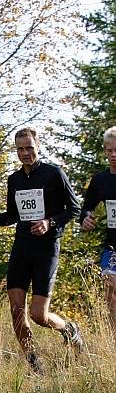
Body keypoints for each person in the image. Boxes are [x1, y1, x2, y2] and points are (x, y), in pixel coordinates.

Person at [0, 128, 82, 371]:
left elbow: (74, 208)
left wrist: (49, 223)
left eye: (29, 148)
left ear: (38, 146)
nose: (25, 153)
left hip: (46, 249)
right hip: (22, 247)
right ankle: (34, 364)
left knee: (38, 315)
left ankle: (69, 330)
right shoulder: (14, 180)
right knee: (16, 309)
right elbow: (13, 216)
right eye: (20, 149)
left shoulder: (54, 174)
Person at [80, 126, 116, 334]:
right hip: (112, 244)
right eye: (110, 150)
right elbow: (86, 207)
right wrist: (85, 218)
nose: (113, 155)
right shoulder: (100, 180)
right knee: (109, 285)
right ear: (104, 150)